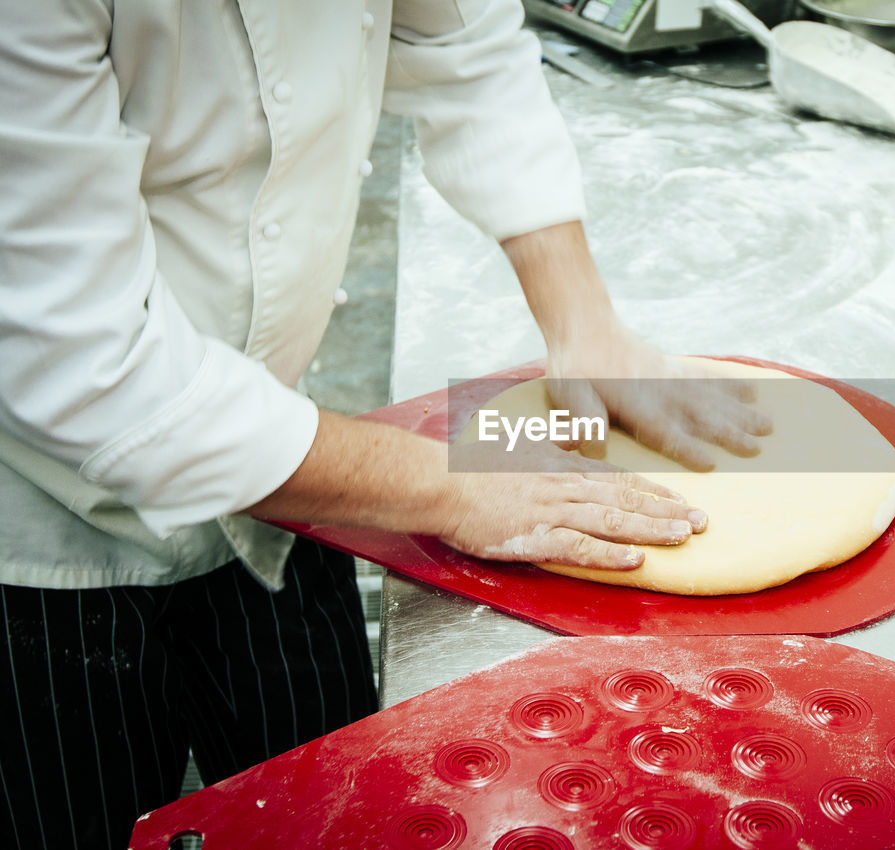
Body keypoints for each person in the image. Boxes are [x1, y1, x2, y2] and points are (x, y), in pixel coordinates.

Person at [0, 2, 769, 848]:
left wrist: (583, 322)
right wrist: (450, 487)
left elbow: (466, 47)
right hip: (43, 536)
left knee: (330, 817)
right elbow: (80, 366)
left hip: (284, 467)